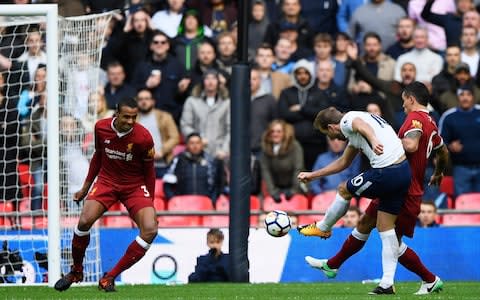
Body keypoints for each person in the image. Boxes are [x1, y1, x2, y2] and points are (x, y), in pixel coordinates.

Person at [303, 82, 448, 295]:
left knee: (392, 241)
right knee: (365, 224)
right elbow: (443, 151)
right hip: (400, 181)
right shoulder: (432, 123)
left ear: (410, 99)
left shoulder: (414, 119)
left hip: (404, 185)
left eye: (403, 101)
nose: (403, 106)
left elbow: (411, 145)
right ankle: (333, 265)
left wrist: (383, 140)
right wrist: (439, 172)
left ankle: (428, 279)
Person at [297, 106, 412, 294]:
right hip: (402, 173)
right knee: (385, 228)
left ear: (332, 127)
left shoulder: (349, 120)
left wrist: (374, 140)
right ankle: (387, 283)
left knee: (344, 189)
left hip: (386, 172)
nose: (333, 139)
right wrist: (314, 175)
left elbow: (362, 126)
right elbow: (343, 162)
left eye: (328, 134)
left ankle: (324, 228)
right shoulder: (355, 128)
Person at [54, 98, 157, 292]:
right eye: (126, 117)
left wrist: (149, 201)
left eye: (134, 117)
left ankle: (109, 277)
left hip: (134, 186)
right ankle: (76, 271)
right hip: (107, 182)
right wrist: (85, 187)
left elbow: (149, 171)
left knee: (150, 229)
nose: (131, 121)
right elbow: (98, 156)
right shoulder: (101, 128)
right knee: (84, 221)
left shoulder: (144, 137)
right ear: (116, 114)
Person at [439, 83, 480, 196]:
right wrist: (450, 146)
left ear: (473, 97)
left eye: (468, 94)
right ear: (458, 97)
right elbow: (439, 142)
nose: (465, 97)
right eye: (462, 95)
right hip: (460, 168)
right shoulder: (449, 116)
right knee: (461, 203)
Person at [163, 132, 224, 206]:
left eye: (198, 143)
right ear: (187, 145)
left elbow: (218, 184)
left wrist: (212, 201)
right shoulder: (178, 160)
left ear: (202, 145)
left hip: (205, 205)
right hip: (183, 205)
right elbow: (167, 185)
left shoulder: (210, 161)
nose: (195, 146)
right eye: (192, 143)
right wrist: (174, 200)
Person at [136, 88, 180, 178]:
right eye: (140, 99)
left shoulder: (165, 117)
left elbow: (175, 137)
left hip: (163, 165)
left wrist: (161, 151)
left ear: (153, 101)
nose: (143, 102)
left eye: (147, 99)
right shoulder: (132, 119)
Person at [260, 119, 305, 203]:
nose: (275, 134)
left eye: (278, 131)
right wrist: (272, 192)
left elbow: (298, 169)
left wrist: (293, 190)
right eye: (272, 131)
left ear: (284, 133)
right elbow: (265, 172)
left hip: (294, 187)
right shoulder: (265, 148)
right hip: (275, 189)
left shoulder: (295, 146)